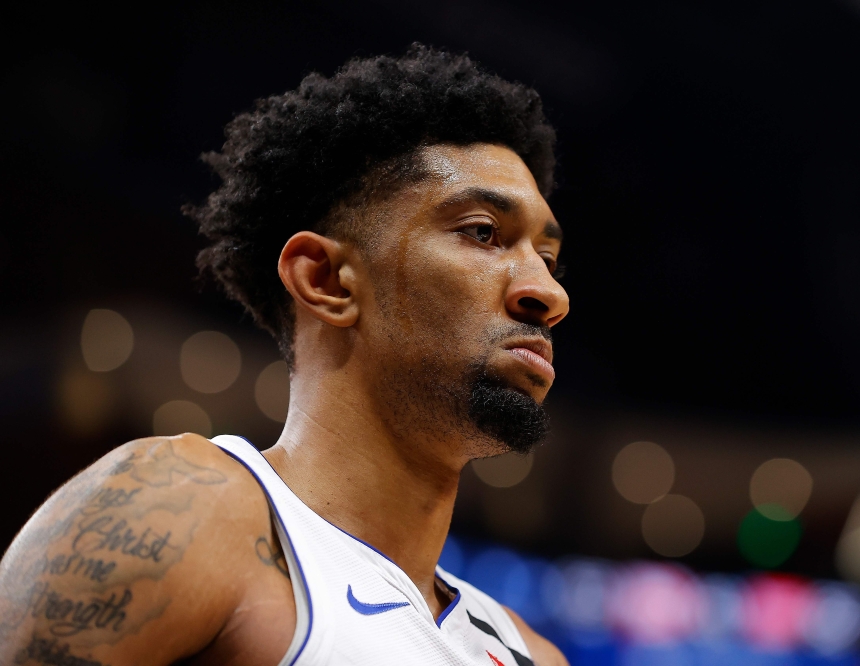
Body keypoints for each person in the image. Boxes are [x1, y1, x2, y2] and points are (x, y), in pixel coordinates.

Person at [0, 45, 570, 666]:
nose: (549, 293)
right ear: (327, 281)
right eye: (483, 233)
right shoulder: (178, 514)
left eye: (547, 259)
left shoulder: (532, 653)